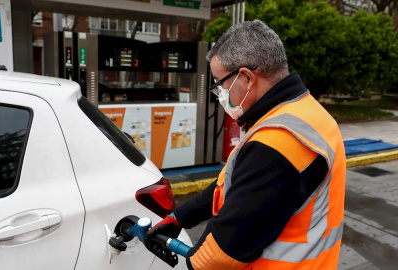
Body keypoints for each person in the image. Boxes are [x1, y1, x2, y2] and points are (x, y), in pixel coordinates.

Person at [144, 20, 346, 270]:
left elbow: (223, 252)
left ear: (247, 78)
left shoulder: (276, 144)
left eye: (220, 84)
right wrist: (179, 218)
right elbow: (230, 185)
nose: (220, 95)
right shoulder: (306, 111)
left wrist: (195, 261)